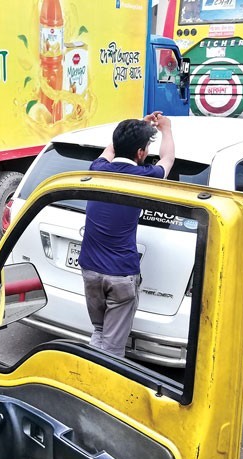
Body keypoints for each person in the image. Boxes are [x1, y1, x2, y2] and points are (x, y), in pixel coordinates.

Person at [78, 111, 175, 357]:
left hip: (90, 270)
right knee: (112, 349)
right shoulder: (144, 177)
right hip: (120, 274)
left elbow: (110, 151)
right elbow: (167, 159)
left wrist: (135, 128)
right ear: (141, 153)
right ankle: (101, 388)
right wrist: (167, 128)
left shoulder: (98, 169)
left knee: (99, 332)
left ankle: (89, 376)